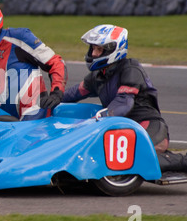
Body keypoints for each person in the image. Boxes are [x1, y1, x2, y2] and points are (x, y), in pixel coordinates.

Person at [62, 24, 187, 172]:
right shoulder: (97, 75)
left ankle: (183, 161)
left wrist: (101, 117)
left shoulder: (131, 69)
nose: (94, 54)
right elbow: (73, 93)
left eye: (99, 49)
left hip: (148, 127)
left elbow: (123, 103)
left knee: (138, 160)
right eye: (93, 49)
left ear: (113, 49)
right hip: (123, 127)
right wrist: (51, 98)